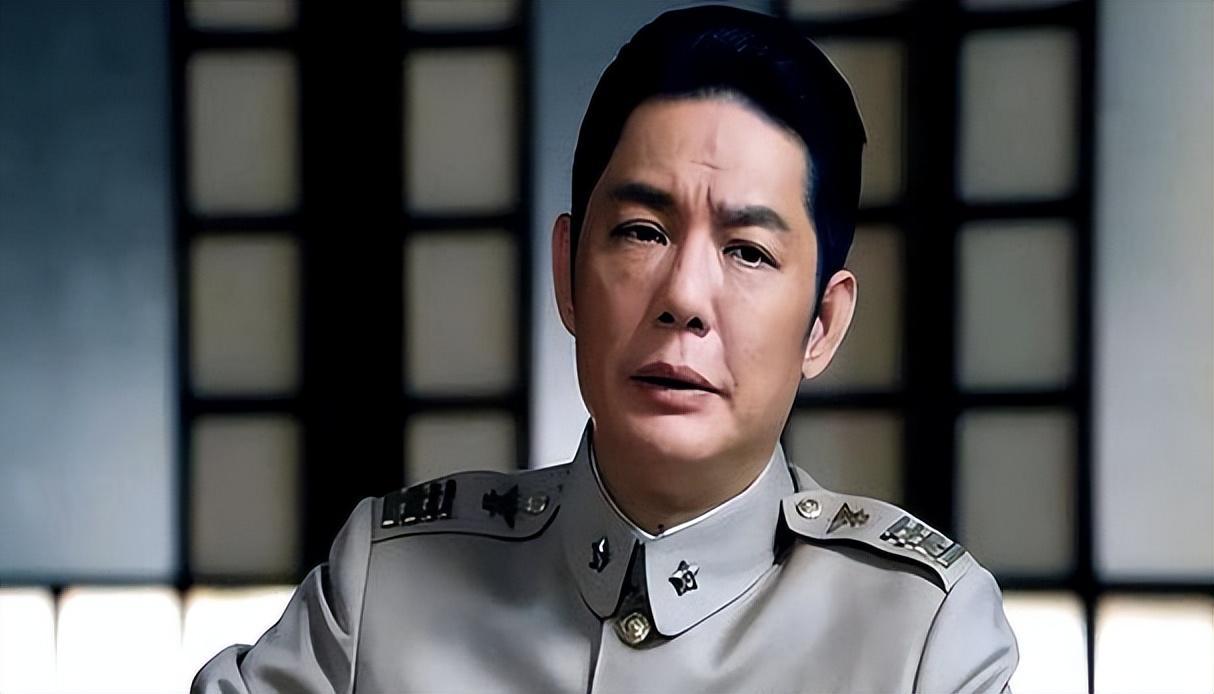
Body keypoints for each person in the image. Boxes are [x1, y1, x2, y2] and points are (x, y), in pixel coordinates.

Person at [193, 5, 1018, 692]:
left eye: (747, 251)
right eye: (642, 232)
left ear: (823, 325)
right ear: (568, 274)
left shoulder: (921, 635)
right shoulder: (386, 584)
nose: (684, 297)